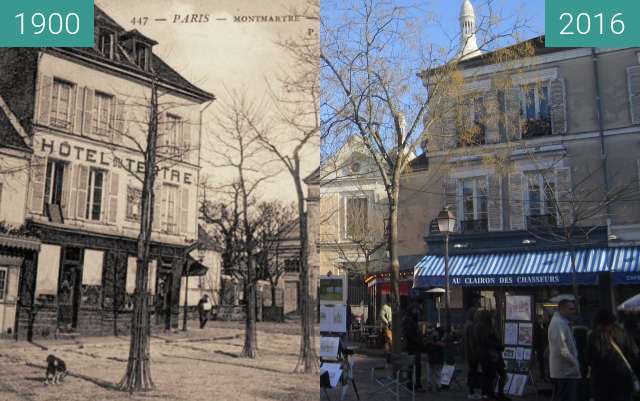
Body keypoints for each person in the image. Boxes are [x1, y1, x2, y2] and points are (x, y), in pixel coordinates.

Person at [585, 308, 640, 401]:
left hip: (601, 383)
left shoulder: (593, 336)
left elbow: (588, 358)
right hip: (622, 381)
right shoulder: (622, 333)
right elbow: (634, 354)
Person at [548, 299, 581, 401]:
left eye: (573, 309)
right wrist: (574, 363)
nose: (573, 311)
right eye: (570, 309)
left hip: (565, 371)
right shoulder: (558, 324)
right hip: (565, 371)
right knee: (565, 397)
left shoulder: (562, 323)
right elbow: (562, 348)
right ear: (562, 309)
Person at [475, 309, 510, 401]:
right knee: (495, 375)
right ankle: (495, 393)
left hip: (488, 355)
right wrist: (499, 346)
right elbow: (487, 342)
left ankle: (491, 393)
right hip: (492, 355)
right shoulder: (485, 327)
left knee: (490, 375)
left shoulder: (481, 326)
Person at [403, 302, 426, 392]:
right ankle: (415, 384)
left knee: (413, 366)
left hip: (413, 346)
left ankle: (412, 383)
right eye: (417, 311)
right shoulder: (409, 321)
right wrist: (419, 342)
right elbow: (411, 335)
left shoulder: (411, 321)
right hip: (413, 347)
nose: (418, 313)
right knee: (414, 366)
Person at [464, 307, 481, 399]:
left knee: (471, 371)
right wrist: (475, 352)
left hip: (468, 353)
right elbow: (472, 342)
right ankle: (471, 391)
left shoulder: (467, 324)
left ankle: (471, 391)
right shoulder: (471, 326)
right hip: (472, 353)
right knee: (473, 372)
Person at [426, 326, 445, 392]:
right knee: (433, 373)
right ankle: (433, 385)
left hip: (435, 358)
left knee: (435, 373)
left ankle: (435, 385)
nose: (433, 332)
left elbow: (442, 345)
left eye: (435, 331)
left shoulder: (435, 339)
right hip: (433, 358)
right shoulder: (435, 339)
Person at [533, 314, 549, 381]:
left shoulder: (544, 326)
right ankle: (542, 376)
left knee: (544, 362)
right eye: (540, 319)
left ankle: (544, 375)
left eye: (541, 319)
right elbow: (536, 337)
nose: (541, 320)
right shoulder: (536, 326)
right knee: (541, 362)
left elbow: (546, 334)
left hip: (544, 346)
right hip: (540, 347)